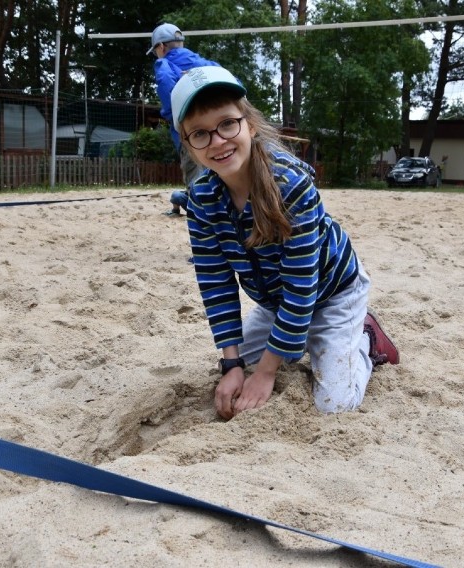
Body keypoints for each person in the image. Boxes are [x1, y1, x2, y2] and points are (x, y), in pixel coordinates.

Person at [170, 66, 400, 420]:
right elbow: (216, 284)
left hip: (331, 293)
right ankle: (302, 340)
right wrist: (231, 364)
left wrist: (266, 372)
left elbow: (301, 287)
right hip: (276, 302)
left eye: (227, 124)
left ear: (250, 124)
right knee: (241, 364)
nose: (217, 141)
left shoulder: (291, 186)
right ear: (187, 144)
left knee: (335, 405)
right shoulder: (200, 200)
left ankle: (367, 338)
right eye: (200, 134)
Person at [147, 23, 221, 216]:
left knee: (193, 167)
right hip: (216, 127)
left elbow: (165, 83)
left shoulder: (164, 63)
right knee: (214, 166)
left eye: (155, 51)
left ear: (161, 47)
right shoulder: (203, 62)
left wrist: (177, 118)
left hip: (190, 130)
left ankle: (198, 208)